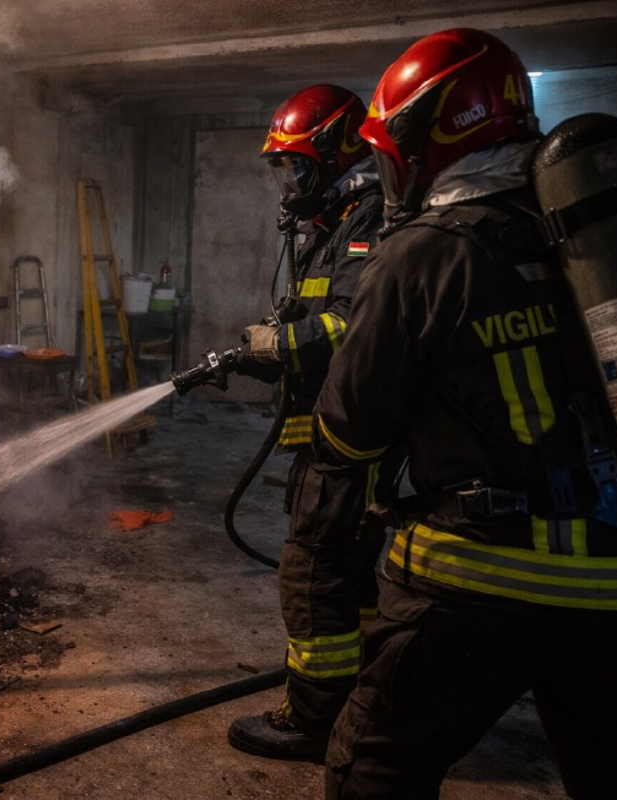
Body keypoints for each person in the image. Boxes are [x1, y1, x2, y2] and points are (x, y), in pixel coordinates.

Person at [308, 27, 617, 798]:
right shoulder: (613, 238)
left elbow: (348, 430)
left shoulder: (420, 254)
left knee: (375, 767)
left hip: (479, 580)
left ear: (423, 139)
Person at [227, 84, 399, 762]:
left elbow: (354, 327)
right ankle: (364, 691)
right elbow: (315, 321)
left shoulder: (370, 219)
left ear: (334, 154)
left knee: (312, 569)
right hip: (335, 431)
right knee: (348, 574)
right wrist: (273, 346)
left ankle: (314, 718)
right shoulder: (334, 222)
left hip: (352, 439)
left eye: (295, 163)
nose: (289, 180)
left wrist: (275, 345)